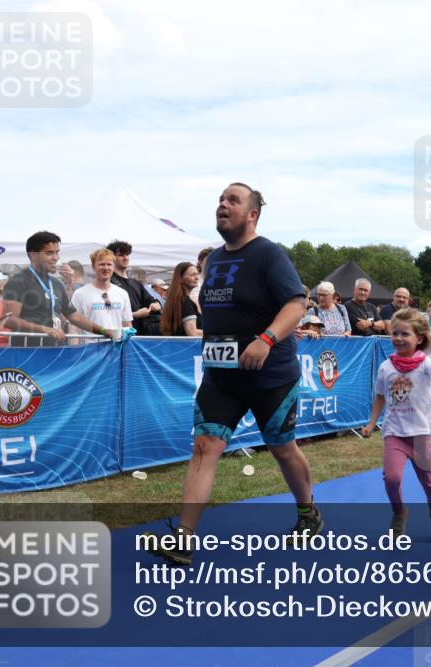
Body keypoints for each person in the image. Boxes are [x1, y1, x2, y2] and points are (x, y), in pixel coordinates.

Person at [147, 182, 318, 566]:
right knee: (205, 445)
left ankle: (308, 511)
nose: (222, 205)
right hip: (221, 376)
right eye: (220, 200)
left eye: (233, 200)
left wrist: (265, 339)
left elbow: (297, 304)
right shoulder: (214, 261)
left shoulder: (269, 254)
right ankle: (184, 539)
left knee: (282, 448)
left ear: (252, 214)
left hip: (270, 375)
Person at [360, 308, 431, 543]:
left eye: (405, 334)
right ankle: (399, 513)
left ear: (419, 338)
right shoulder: (386, 367)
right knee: (392, 478)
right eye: (395, 333)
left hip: (421, 433)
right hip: (394, 432)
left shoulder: (427, 364)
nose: (398, 338)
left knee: (429, 481)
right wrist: (371, 423)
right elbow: (380, 397)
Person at [3, 231, 118, 347]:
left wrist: (103, 331)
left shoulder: (56, 283)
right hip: (26, 353)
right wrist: (45, 330)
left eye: (57, 253)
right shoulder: (18, 281)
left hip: (53, 351)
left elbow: (75, 317)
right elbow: (9, 320)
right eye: (49, 253)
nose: (56, 258)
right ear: (33, 255)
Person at [69, 248, 133, 340]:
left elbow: (127, 324)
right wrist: (74, 347)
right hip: (90, 347)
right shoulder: (80, 293)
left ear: (114, 267)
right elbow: (73, 326)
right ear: (93, 267)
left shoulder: (122, 293)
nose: (106, 268)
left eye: (109, 264)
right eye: (101, 264)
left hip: (116, 346)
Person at [106, 240, 162, 336]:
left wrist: (157, 304)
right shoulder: (108, 283)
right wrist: (135, 315)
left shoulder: (135, 283)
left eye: (127, 254)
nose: (125, 258)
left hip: (140, 335)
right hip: (120, 336)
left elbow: (150, 300)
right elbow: (107, 313)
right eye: (121, 255)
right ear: (112, 258)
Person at [160, 262, 202, 336]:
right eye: (192, 275)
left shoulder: (178, 300)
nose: (197, 278)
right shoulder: (185, 302)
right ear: (180, 278)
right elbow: (192, 333)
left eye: (197, 274)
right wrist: (215, 333)